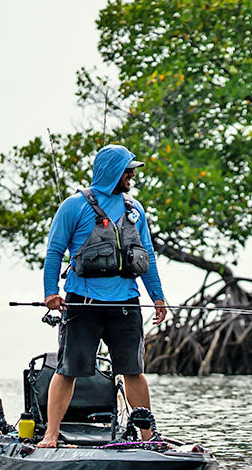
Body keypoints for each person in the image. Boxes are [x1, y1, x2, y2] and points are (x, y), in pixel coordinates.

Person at [38, 144, 168, 448]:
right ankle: (51, 435)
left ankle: (148, 436)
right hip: (83, 303)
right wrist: (50, 294)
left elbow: (146, 254)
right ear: (112, 171)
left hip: (125, 303)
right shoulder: (73, 206)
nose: (132, 175)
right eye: (128, 170)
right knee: (68, 369)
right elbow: (54, 252)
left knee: (134, 371)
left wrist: (158, 297)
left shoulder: (135, 210)